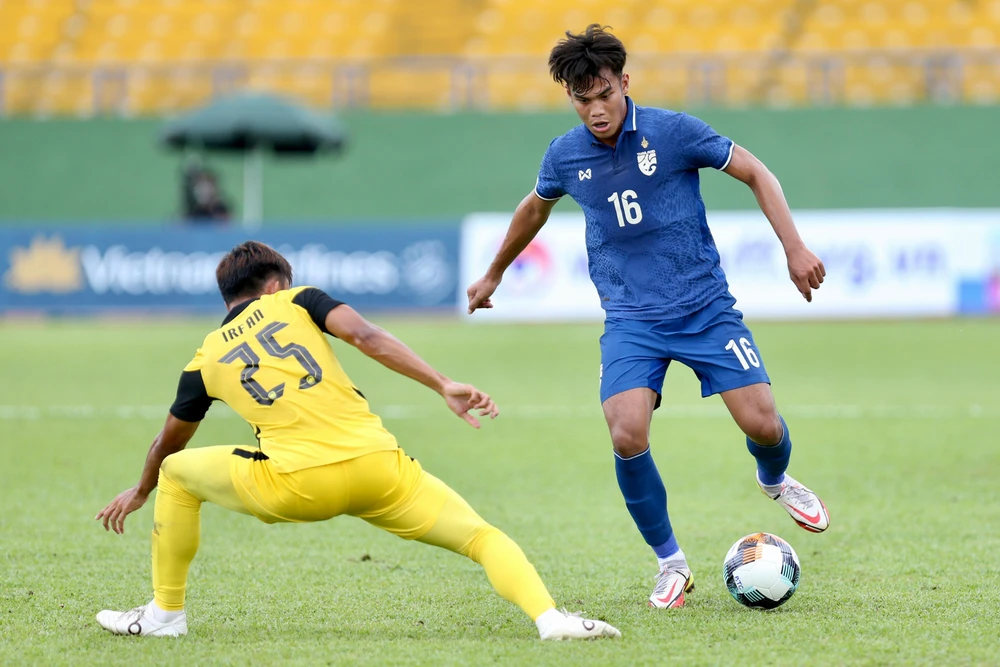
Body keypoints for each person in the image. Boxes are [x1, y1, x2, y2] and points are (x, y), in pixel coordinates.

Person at [466, 25, 830, 610]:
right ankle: (672, 564)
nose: (595, 109)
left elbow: (757, 172)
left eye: (603, 93)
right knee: (626, 432)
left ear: (624, 83)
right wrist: (493, 274)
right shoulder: (565, 154)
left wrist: (794, 247)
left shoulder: (674, 131)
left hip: (705, 307)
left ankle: (774, 479)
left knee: (763, 424)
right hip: (632, 319)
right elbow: (534, 209)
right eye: (582, 100)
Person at [94, 241, 620, 641]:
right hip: (379, 470)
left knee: (176, 477)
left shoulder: (203, 360)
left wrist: (142, 489)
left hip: (294, 487)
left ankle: (165, 614)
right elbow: (366, 336)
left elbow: (169, 442)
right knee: (481, 538)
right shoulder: (299, 301)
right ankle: (551, 620)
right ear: (275, 285)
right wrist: (442, 383)